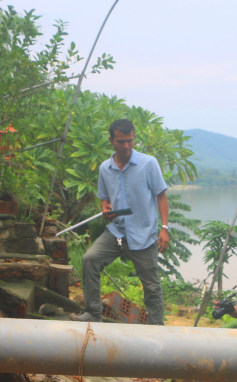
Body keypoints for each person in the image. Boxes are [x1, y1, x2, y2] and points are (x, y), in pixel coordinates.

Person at [70, 119, 170, 325]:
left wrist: (165, 228)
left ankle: (157, 326)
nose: (126, 146)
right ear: (111, 140)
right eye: (121, 141)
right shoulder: (105, 168)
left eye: (130, 141)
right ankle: (93, 313)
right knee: (90, 259)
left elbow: (161, 196)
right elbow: (104, 197)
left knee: (151, 284)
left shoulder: (148, 163)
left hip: (143, 233)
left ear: (134, 138)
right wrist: (105, 208)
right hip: (116, 232)